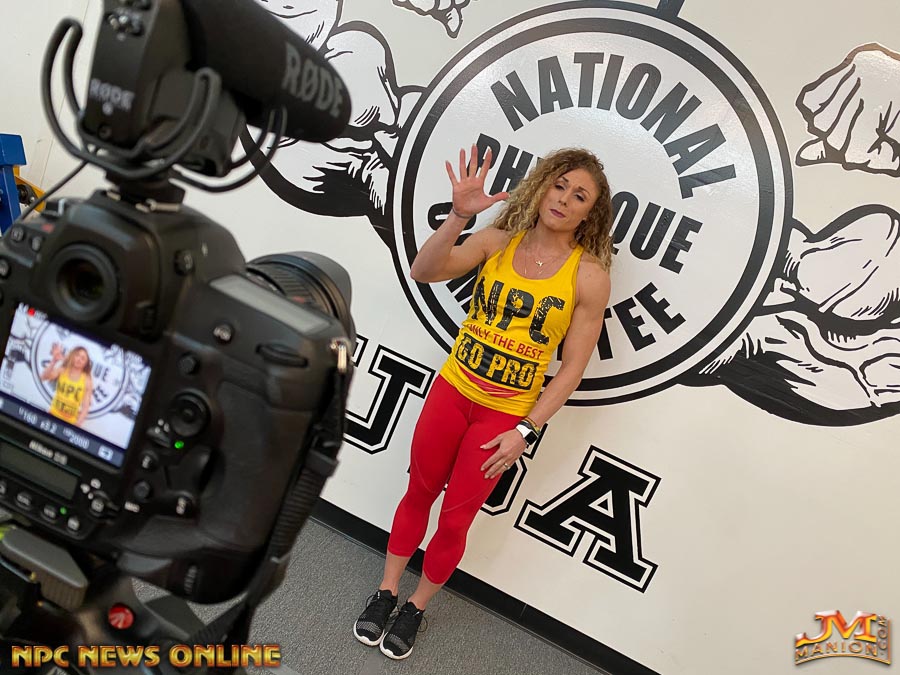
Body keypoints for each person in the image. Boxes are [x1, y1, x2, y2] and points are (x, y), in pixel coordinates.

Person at [353, 145, 613, 659]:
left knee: (455, 519)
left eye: (579, 195)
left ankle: (416, 608)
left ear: (590, 213)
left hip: (503, 416)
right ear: (542, 185)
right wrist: (458, 217)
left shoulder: (588, 276)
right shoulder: (497, 239)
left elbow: (572, 369)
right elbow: (425, 270)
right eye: (559, 184)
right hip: (452, 392)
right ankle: (386, 591)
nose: (564, 199)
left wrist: (526, 431)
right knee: (418, 493)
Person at [41, 343, 94, 427]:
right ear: (73, 356)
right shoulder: (62, 370)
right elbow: (43, 377)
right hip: (52, 415)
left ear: (86, 363)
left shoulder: (87, 380)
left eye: (83, 358)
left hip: (70, 423)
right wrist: (54, 361)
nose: (79, 359)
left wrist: (77, 425)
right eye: (77, 355)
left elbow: (85, 407)